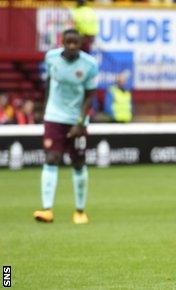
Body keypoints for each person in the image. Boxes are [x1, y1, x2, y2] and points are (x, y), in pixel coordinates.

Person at [33, 29, 99, 224]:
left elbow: (89, 96)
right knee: (51, 158)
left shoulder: (90, 65)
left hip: (76, 118)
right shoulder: (51, 58)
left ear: (80, 44)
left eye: (75, 43)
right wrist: (44, 109)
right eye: (68, 42)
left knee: (78, 163)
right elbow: (49, 82)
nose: (72, 46)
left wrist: (80, 122)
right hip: (54, 116)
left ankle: (79, 211)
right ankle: (47, 210)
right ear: (62, 42)